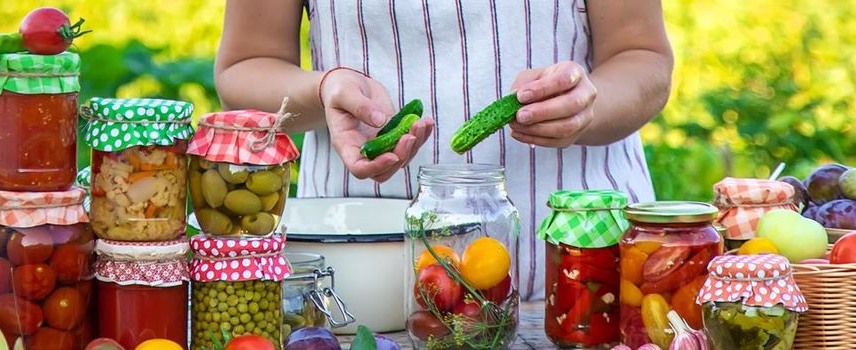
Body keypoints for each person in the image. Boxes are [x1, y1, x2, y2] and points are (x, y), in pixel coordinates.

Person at [214, 0, 673, 300]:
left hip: (582, 268)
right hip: (360, 276)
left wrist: (585, 108)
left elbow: (643, 56)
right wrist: (323, 89)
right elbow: (243, 67)